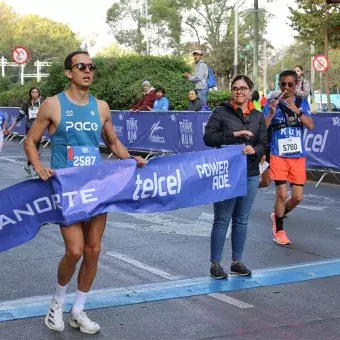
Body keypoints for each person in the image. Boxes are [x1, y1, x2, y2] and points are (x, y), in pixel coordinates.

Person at [24, 50, 146, 334]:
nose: (87, 71)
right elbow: (31, 141)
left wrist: (131, 160)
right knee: (75, 250)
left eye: (91, 67)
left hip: (96, 189)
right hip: (67, 190)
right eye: (81, 67)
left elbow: (113, 143)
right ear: (69, 72)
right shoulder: (53, 105)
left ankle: (78, 310)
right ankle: (58, 301)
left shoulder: (101, 107)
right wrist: (39, 166)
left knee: (93, 251)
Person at [203, 75, 267, 279]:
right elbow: (208, 138)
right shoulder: (220, 111)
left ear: (250, 91)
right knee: (222, 219)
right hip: (225, 174)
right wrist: (235, 136)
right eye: (235, 88)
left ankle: (236, 262)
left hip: (250, 173)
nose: (239, 92)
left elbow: (264, 143)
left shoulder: (257, 116)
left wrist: (254, 149)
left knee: (241, 219)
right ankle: (215, 263)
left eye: (243, 88)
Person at [263, 69, 314, 245]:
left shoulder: (302, 102)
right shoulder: (272, 103)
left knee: (298, 196)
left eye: (290, 84)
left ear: (296, 85)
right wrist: (270, 112)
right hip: (278, 154)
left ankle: (278, 215)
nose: (286, 87)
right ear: (279, 85)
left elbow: (310, 125)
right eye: (283, 84)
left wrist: (297, 111)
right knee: (281, 194)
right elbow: (262, 128)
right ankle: (279, 230)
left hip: (298, 156)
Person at [7, 87, 44, 176]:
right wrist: (11, 127)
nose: (35, 94)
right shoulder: (26, 103)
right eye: (33, 92)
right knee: (33, 149)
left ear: (38, 94)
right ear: (30, 93)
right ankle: (36, 168)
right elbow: (20, 116)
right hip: (29, 128)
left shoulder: (42, 103)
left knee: (37, 150)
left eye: (36, 92)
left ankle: (28, 166)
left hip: (39, 128)